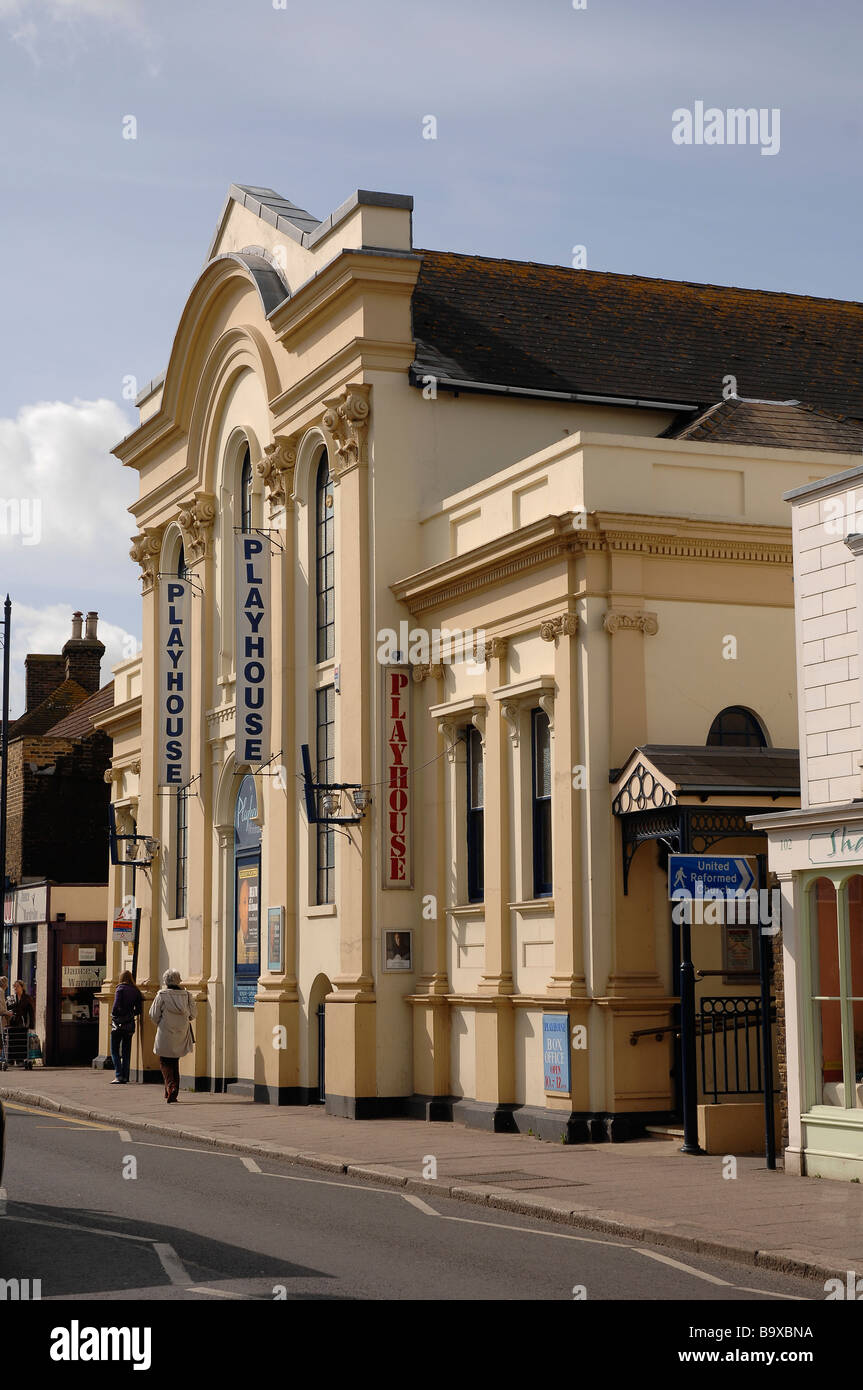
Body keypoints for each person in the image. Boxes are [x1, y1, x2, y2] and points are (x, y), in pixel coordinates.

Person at [148, 969, 196, 1103]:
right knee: (174, 1061)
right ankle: (172, 1094)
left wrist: (161, 1023)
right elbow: (193, 1014)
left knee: (164, 1060)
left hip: (165, 1031)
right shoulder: (187, 995)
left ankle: (170, 1086)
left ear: (166, 981)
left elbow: (153, 1014)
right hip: (181, 1032)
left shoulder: (162, 995)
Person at [110, 970, 143, 1085]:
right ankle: (126, 1076)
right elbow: (138, 1010)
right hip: (129, 1025)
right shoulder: (136, 991)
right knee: (126, 1051)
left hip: (118, 1024)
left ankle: (118, 1076)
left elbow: (115, 1006)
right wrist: (130, 1015)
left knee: (114, 1050)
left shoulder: (120, 989)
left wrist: (115, 1015)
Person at [8, 980, 34, 1067]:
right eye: (14, 986)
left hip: (23, 1022)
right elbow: (7, 1009)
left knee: (21, 1041)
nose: (15, 988)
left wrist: (31, 1025)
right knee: (12, 1040)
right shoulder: (11, 998)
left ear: (22, 987)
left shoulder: (27, 998)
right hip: (12, 1022)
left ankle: (20, 1060)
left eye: (17, 986)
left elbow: (31, 1012)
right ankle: (11, 1060)